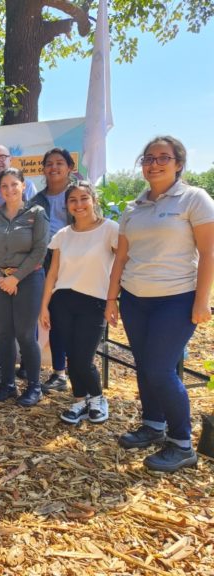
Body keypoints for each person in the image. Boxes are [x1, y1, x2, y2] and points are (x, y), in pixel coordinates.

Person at [106, 136, 214, 472]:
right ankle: (153, 425)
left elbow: (209, 252)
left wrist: (202, 301)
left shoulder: (194, 199)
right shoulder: (133, 208)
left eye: (163, 157)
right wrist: (112, 298)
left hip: (176, 300)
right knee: (144, 365)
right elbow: (121, 258)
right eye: (148, 158)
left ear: (179, 163)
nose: (154, 163)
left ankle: (182, 444)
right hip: (135, 300)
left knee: (160, 369)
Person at [40, 181, 117, 426]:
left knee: (84, 358)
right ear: (67, 205)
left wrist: (115, 300)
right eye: (73, 200)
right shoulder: (63, 235)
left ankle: (97, 399)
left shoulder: (110, 230)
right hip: (63, 301)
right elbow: (52, 274)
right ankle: (79, 400)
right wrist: (44, 306)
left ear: (94, 200)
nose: (79, 204)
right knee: (72, 356)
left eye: (84, 198)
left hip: (94, 301)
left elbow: (122, 267)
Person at [0, 168, 48, 406]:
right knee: (4, 333)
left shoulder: (37, 213)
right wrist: (0, 278)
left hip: (28, 280)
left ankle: (34, 387)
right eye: (5, 185)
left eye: (14, 184)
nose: (10, 189)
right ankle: (7, 384)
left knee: (26, 334)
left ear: (23, 185)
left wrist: (15, 278)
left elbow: (40, 250)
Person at [28, 148, 77, 393]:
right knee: (53, 315)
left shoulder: (79, 194)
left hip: (76, 262)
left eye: (59, 163)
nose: (54, 168)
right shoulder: (37, 200)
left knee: (76, 319)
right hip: (45, 261)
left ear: (70, 167)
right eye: (49, 164)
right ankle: (59, 372)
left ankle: (80, 373)